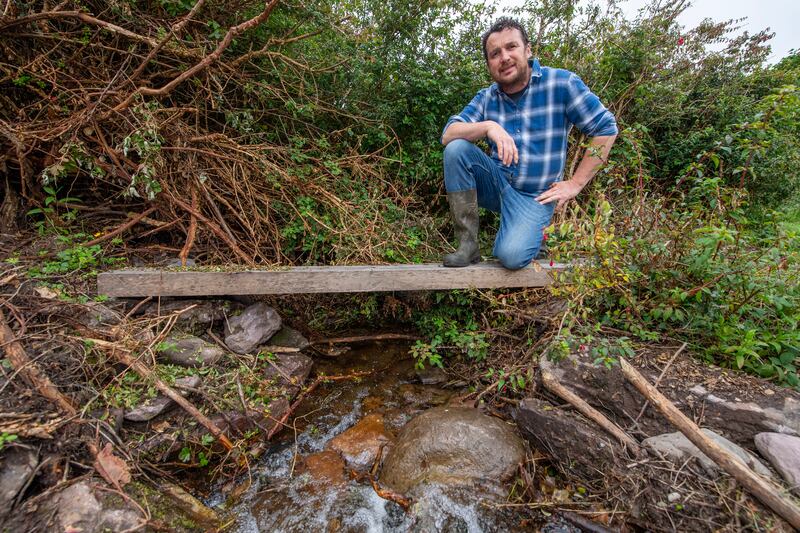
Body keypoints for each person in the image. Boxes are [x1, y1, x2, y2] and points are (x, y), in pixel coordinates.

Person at [440, 17, 618, 269]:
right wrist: (490, 126)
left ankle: (537, 235)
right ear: (489, 63)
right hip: (498, 185)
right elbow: (448, 134)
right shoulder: (487, 97)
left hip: (537, 197)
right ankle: (468, 245)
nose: (504, 57)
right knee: (456, 149)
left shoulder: (562, 84)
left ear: (528, 49)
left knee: (511, 257)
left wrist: (576, 183)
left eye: (511, 47)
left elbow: (606, 128)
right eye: (495, 53)